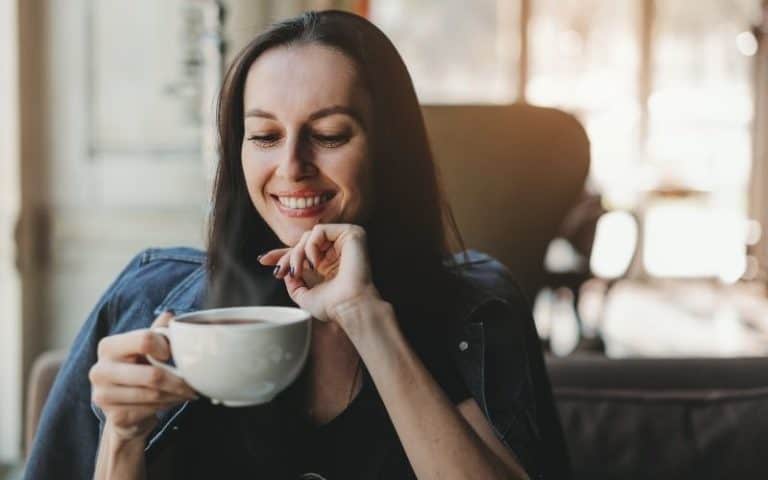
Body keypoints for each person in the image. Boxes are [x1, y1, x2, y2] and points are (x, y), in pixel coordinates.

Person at [24, 10, 568, 480]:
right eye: (264, 136)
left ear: (390, 150)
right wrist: (121, 438)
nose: (291, 169)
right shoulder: (147, 299)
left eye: (329, 134)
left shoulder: (477, 310)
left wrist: (364, 315)